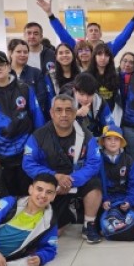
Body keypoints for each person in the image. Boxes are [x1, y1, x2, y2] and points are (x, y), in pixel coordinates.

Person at [23, 94, 104, 243]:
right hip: (52, 185)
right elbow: (28, 164)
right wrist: (54, 177)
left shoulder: (86, 135)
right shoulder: (38, 136)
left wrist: (71, 181)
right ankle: (67, 216)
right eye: (59, 110)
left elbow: (93, 163)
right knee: (56, 232)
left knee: (95, 185)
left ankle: (89, 225)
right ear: (52, 113)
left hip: (75, 180)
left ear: (75, 113)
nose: (64, 114)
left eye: (68, 110)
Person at [0, 49, 45, 197]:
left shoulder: (25, 88)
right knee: (8, 199)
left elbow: (37, 117)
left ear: (8, 66)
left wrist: (39, 144)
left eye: (1, 63)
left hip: (26, 151)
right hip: (1, 155)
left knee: (29, 194)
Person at [37, 0, 134, 55]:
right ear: (86, 34)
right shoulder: (78, 47)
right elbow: (62, 34)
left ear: (100, 34)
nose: (93, 32)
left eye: (96, 30)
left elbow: (124, 36)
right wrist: (50, 14)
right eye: (91, 30)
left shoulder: (109, 48)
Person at [97, 125, 134, 218]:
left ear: (121, 142)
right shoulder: (97, 160)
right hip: (104, 202)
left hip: (123, 200)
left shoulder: (128, 160)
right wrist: (103, 200)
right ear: (103, 142)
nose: (113, 142)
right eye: (109, 139)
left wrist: (129, 201)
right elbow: (96, 185)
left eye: (116, 139)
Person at [8, 39, 50, 115]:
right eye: (18, 52)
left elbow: (41, 96)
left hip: (31, 117)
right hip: (9, 117)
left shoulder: (36, 72)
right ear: (11, 53)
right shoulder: (4, 73)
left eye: (25, 52)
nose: (23, 54)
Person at [87, 43, 124, 124]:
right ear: (94, 56)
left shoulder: (116, 76)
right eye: (99, 54)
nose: (103, 58)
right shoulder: (86, 76)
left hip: (111, 116)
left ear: (110, 58)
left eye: (106, 55)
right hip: (93, 118)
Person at [72, 72, 117, 136]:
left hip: (96, 138)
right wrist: (76, 113)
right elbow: (58, 122)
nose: (85, 99)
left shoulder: (101, 103)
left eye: (89, 95)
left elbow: (110, 125)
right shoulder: (66, 100)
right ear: (74, 91)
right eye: (82, 94)